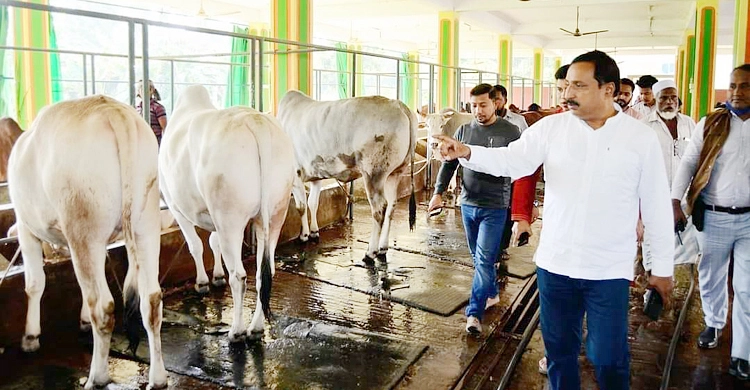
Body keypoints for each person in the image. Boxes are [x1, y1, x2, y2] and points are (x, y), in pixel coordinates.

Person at [435, 50, 674, 390]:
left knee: (607, 357)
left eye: (578, 85)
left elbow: (656, 207)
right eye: (566, 86)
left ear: (607, 89)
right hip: (556, 265)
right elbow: (512, 162)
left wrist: (661, 268)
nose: (567, 94)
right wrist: (467, 152)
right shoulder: (551, 128)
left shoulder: (640, 139)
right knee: (559, 354)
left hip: (608, 269)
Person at [671, 64, 750, 380]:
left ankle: (742, 352)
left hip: (748, 220)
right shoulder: (712, 123)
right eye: (732, 85)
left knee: (746, 287)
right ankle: (714, 323)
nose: (736, 92)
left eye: (744, 86)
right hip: (713, 216)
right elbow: (690, 162)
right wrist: (675, 201)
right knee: (712, 275)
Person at [427, 83, 521, 334]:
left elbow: (523, 169)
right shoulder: (463, 130)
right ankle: (491, 293)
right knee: (479, 259)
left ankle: (474, 313)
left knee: (484, 258)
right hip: (467, 203)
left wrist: (523, 209)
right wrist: (438, 193)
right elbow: (449, 164)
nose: (478, 110)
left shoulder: (510, 131)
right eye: (474, 106)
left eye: (483, 105)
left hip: (496, 205)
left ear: (496, 104)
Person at [136, 79, 167, 145]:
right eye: (140, 88)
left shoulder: (158, 107)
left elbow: (165, 128)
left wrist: (165, 145)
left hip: (154, 142)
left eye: (145, 88)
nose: (143, 90)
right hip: (140, 142)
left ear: (152, 90)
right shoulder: (137, 108)